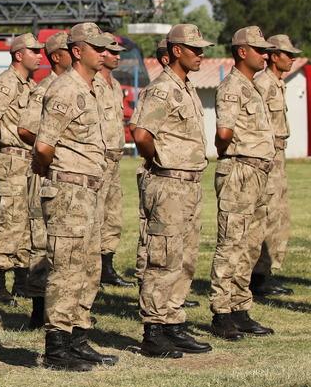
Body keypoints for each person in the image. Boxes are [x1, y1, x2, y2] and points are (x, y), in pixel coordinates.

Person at [31, 23, 119, 371]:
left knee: (88, 266)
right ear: (78, 51)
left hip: (91, 189)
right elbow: (43, 145)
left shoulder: (93, 88)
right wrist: (57, 174)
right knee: (66, 268)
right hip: (69, 188)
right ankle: (57, 346)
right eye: (96, 48)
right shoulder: (65, 89)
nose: (104, 53)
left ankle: (78, 336)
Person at [129, 24, 215, 358]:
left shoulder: (186, 87)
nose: (201, 55)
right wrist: (160, 161)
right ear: (176, 50)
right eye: (195, 49)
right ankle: (154, 330)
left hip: (189, 183)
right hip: (168, 183)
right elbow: (141, 134)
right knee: (162, 257)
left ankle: (173, 322)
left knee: (185, 257)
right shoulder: (162, 88)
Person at [208, 26, 276, 342]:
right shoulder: (232, 87)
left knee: (249, 244)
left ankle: (239, 307)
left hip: (257, 172)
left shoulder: (253, 87)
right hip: (239, 169)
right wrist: (233, 159)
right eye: (259, 49)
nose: (265, 55)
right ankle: (222, 313)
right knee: (231, 242)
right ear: (241, 52)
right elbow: (224, 134)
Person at [0, 33, 43, 305]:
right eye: (34, 51)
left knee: (26, 222)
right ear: (19, 55)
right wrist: (2, 143)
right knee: (10, 221)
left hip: (27, 160)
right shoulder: (6, 83)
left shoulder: (30, 85)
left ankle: (21, 280)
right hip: (11, 158)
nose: (40, 55)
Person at [17, 31, 71, 329]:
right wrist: (48, 147)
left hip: (72, 175)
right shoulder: (46, 88)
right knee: (41, 238)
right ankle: (38, 308)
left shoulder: (80, 87)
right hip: (45, 170)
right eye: (67, 51)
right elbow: (25, 128)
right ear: (57, 56)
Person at [251, 34, 302, 298]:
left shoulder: (277, 84)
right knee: (265, 215)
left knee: (277, 216)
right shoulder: (262, 83)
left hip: (278, 155)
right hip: (267, 155)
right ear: (272, 55)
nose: (291, 58)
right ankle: (257, 277)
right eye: (287, 54)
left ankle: (265, 272)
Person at [94, 31, 133, 289]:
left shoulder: (115, 85)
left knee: (112, 216)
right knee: (94, 216)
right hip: (96, 160)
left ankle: (107, 266)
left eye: (118, 52)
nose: (116, 56)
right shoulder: (92, 83)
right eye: (111, 51)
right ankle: (92, 269)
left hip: (115, 159)